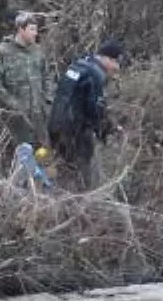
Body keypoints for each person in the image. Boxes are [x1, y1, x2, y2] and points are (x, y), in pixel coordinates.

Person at [47, 38, 126, 191]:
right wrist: (108, 130)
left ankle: (52, 195)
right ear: (107, 59)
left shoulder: (80, 64)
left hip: (56, 125)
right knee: (81, 173)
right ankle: (78, 202)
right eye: (116, 63)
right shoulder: (96, 75)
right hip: (74, 131)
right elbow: (95, 111)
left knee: (59, 165)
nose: (117, 68)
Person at [0, 11, 51, 151]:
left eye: (36, 29)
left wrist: (47, 101)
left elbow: (47, 77)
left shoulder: (37, 52)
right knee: (21, 160)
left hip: (39, 119)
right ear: (21, 29)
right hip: (15, 121)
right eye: (32, 29)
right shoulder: (1, 52)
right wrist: (13, 104)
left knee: (43, 158)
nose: (36, 33)